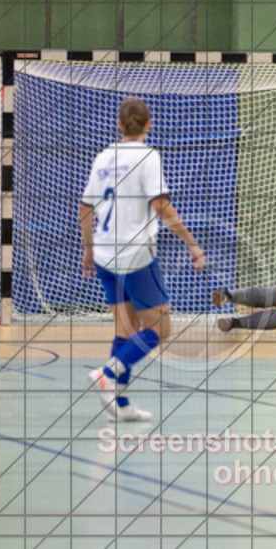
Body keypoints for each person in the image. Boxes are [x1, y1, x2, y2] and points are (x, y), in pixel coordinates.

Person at [81, 97, 205, 422]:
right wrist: (192, 243)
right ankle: (107, 373)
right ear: (149, 125)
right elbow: (161, 206)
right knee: (160, 328)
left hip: (106, 253)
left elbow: (85, 208)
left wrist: (88, 250)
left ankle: (120, 407)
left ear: (119, 125)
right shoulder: (148, 157)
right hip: (135, 255)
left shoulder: (104, 157)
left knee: (125, 330)